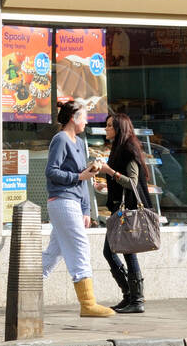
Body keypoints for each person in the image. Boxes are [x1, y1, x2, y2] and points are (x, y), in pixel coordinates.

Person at [43, 101, 114, 317]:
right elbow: (51, 171)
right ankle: (88, 303)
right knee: (80, 246)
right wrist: (78, 176)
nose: (86, 121)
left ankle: (22, 293)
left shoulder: (79, 142)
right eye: (83, 116)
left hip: (72, 202)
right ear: (73, 117)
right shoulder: (61, 139)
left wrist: (85, 209)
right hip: (62, 200)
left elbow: (84, 179)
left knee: (53, 253)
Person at [93, 112, 150, 314]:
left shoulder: (128, 150)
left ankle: (136, 299)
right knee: (113, 252)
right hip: (118, 209)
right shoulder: (117, 149)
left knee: (124, 251)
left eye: (110, 126)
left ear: (119, 129)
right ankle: (130, 296)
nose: (106, 129)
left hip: (128, 209)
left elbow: (132, 182)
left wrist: (110, 172)